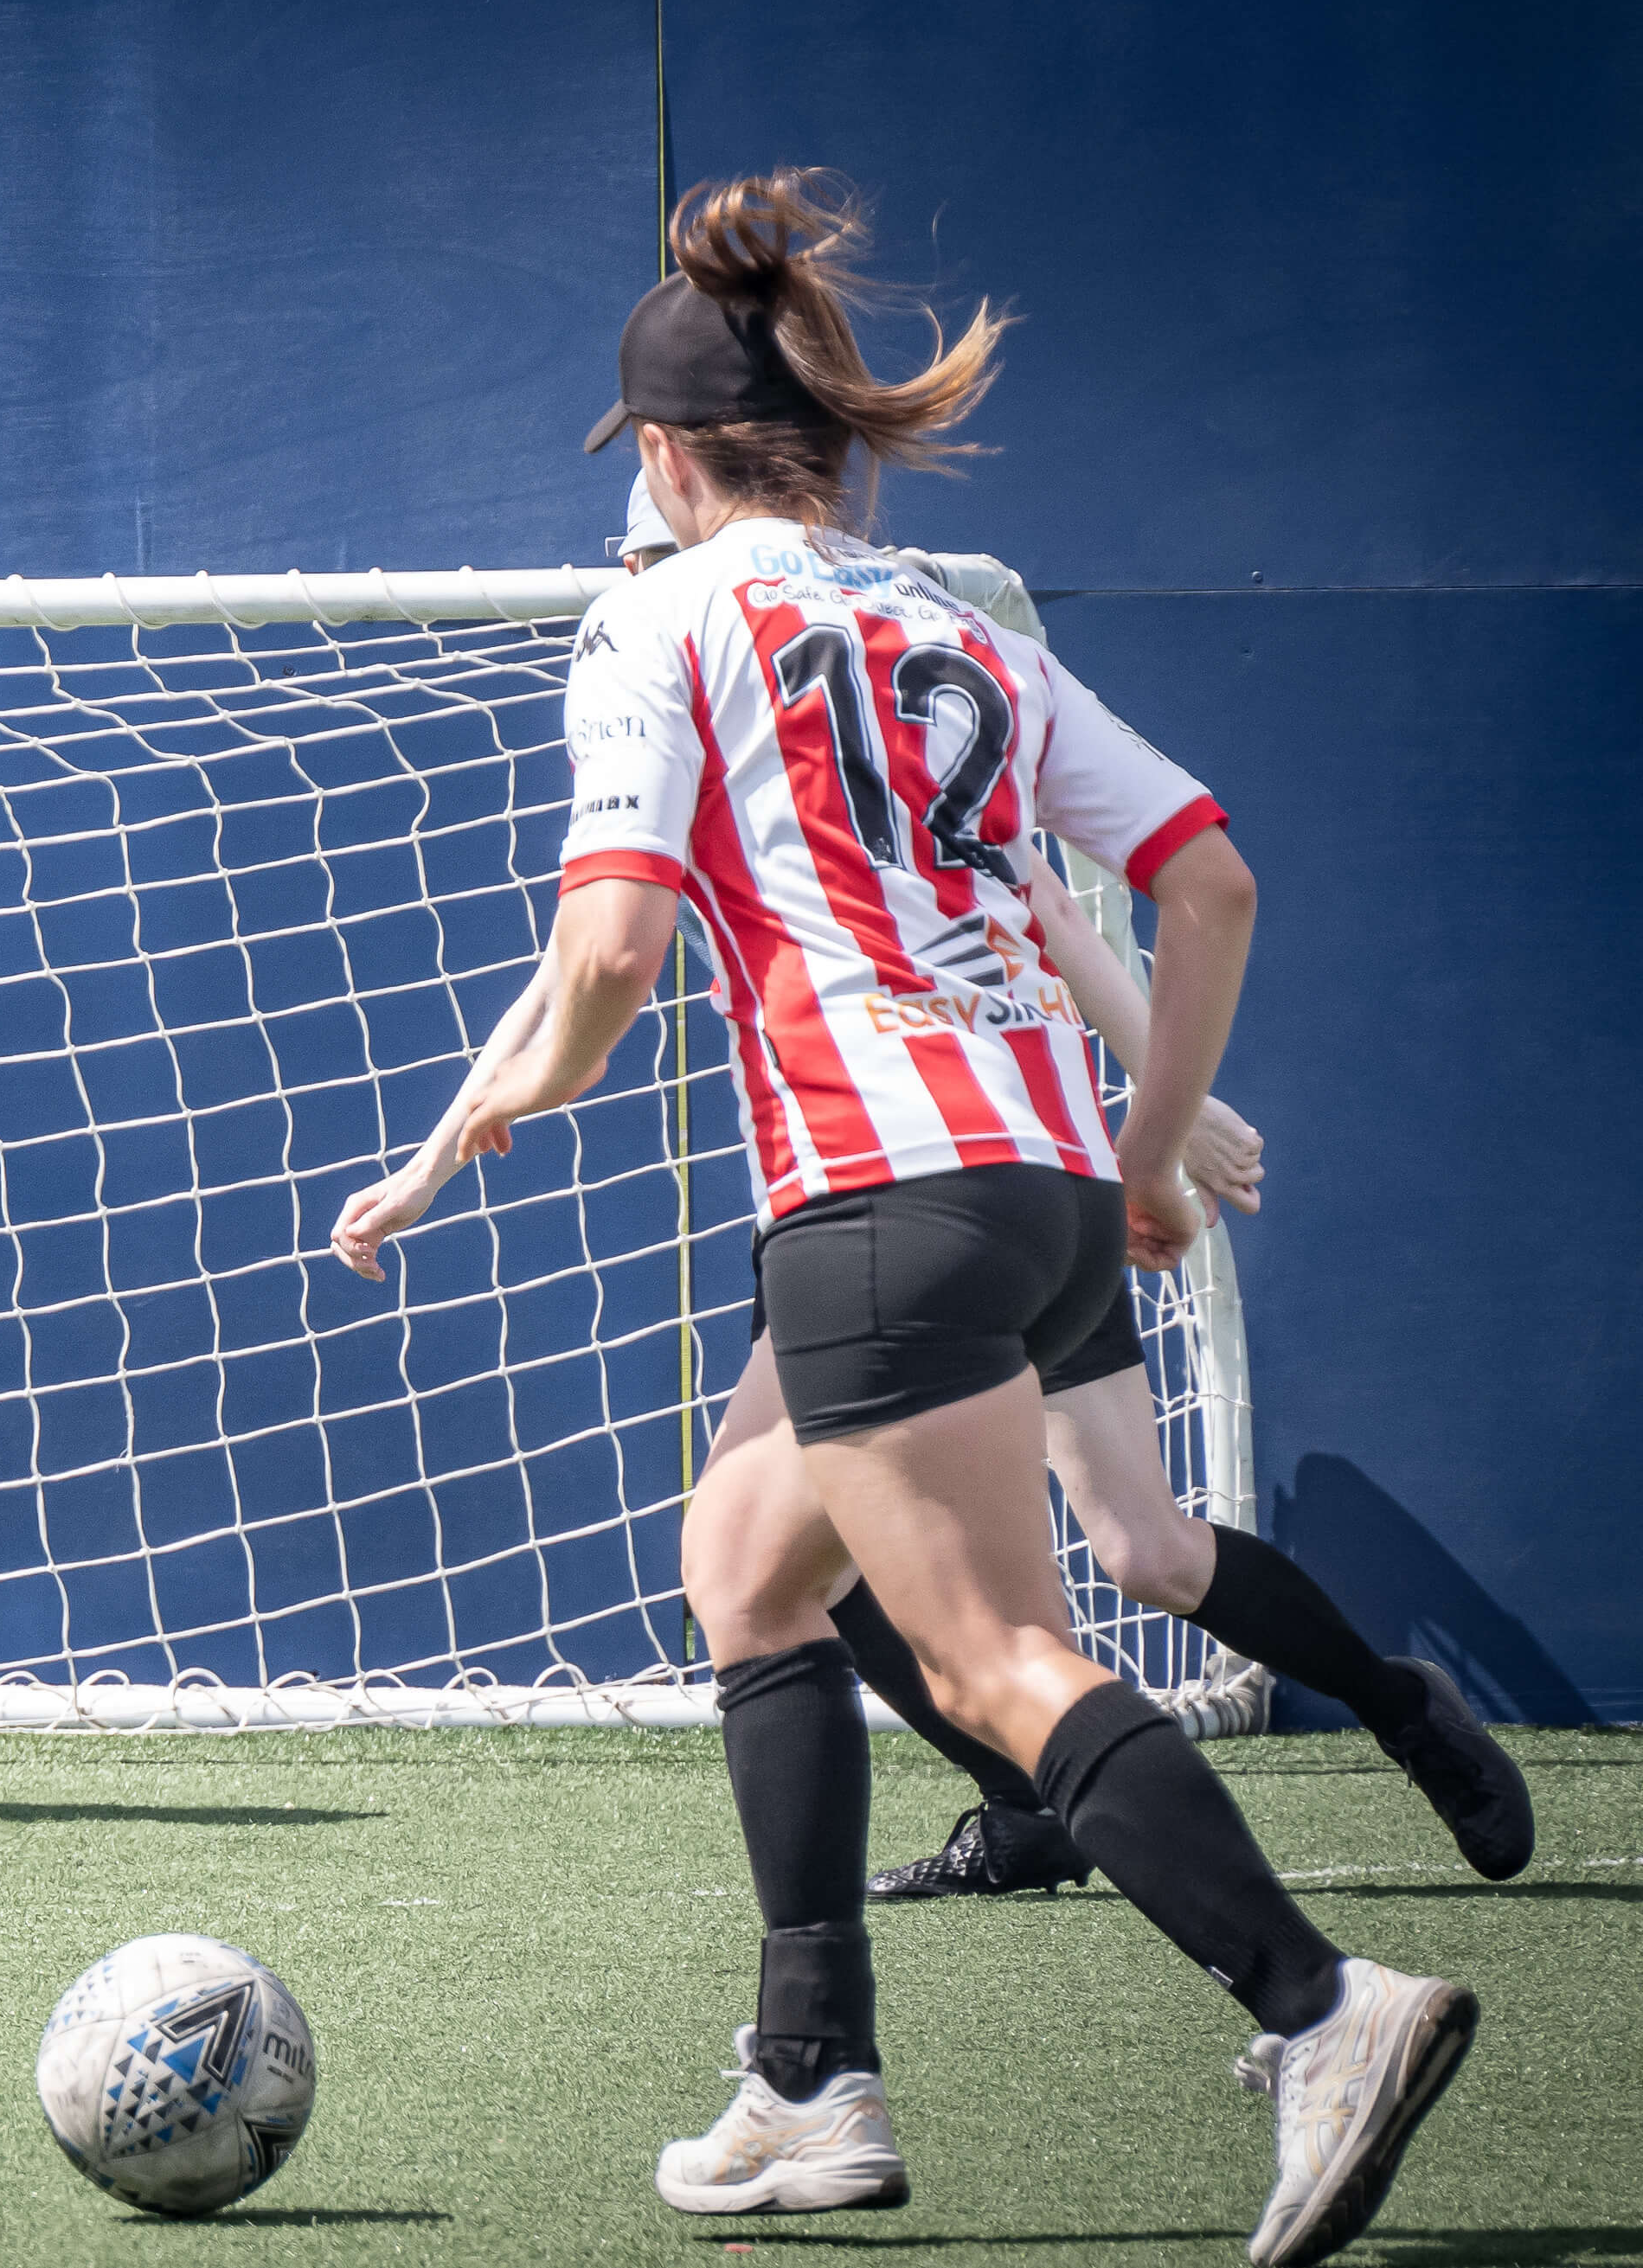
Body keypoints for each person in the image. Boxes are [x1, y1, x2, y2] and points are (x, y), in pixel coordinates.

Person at [363, 174, 1470, 2265]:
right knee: (744, 1567)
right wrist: (1144, 1158)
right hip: (1043, 1179)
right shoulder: (955, 623)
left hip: (874, 1192)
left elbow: (604, 948)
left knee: (991, 1655)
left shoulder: (656, 615)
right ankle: (806, 2081)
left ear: (669, 463)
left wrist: (515, 1092)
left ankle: (1319, 2008)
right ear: (830, 449)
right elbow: (1203, 875)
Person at [382, 479, 1532, 1906]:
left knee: (1137, 1548)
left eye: (639, 543)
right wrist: (432, 1159)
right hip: (922, 1192)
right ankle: (1030, 1810)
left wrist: (1177, 1113)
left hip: (955, 1172)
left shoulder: (764, 657)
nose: (621, 570)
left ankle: (1391, 1716)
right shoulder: (713, 711)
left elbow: (1057, 905)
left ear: (697, 507)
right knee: (801, 1546)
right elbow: (577, 962)